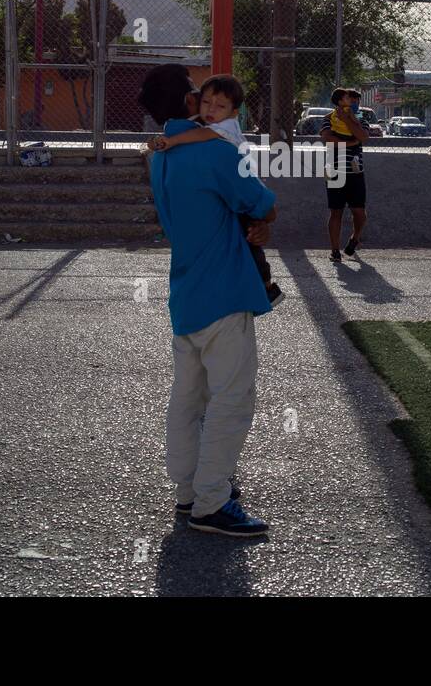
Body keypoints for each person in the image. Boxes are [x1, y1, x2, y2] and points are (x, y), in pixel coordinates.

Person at [136, 64, 278, 538]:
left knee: (187, 398)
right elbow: (260, 201)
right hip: (224, 291)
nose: (206, 101)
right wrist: (265, 217)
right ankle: (212, 501)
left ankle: (188, 492)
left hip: (186, 292)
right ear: (187, 102)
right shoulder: (217, 152)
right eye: (198, 94)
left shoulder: (157, 156)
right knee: (231, 399)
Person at [148, 74, 282, 307]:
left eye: (220, 106)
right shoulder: (213, 149)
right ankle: (265, 285)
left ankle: (266, 282)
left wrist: (171, 141)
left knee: (251, 240)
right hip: (224, 298)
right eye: (206, 102)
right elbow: (268, 212)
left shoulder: (163, 157)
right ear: (193, 101)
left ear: (233, 113)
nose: (211, 109)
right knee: (251, 236)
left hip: (185, 294)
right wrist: (265, 218)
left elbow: (202, 134)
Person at [319, 86, 369, 263]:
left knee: (359, 212)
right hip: (334, 171)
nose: (354, 104)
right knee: (336, 212)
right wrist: (348, 144)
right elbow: (327, 137)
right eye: (351, 100)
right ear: (341, 101)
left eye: (356, 101)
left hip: (356, 173)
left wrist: (348, 120)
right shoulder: (329, 119)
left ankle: (355, 238)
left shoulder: (360, 119)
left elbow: (362, 136)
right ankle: (335, 250)